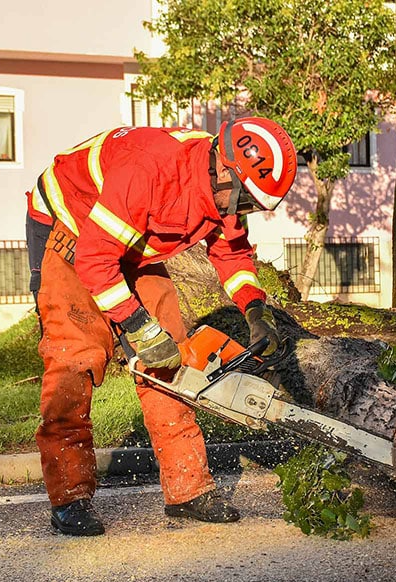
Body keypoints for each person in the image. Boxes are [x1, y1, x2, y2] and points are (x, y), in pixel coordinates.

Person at [24, 117, 297, 537]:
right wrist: (138, 327)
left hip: (128, 241)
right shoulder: (149, 170)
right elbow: (96, 260)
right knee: (74, 360)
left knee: (172, 360)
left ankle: (188, 489)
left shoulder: (222, 189)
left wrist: (256, 311)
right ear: (225, 169)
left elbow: (231, 253)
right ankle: (70, 497)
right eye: (245, 201)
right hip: (72, 228)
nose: (242, 212)